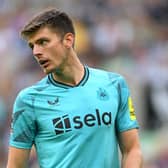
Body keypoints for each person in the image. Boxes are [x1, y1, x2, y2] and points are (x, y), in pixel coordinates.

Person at [7, 8, 143, 168]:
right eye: (32, 46)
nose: (36, 52)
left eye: (43, 42)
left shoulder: (114, 84)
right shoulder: (29, 100)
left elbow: (132, 149)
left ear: (68, 40)